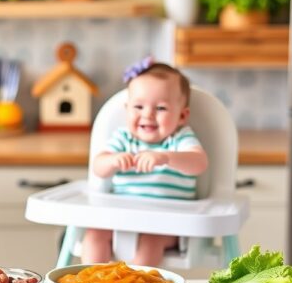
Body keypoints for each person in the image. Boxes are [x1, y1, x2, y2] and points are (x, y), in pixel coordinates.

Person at [82, 58, 209, 266]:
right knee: (94, 234)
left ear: (182, 116)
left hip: (167, 223)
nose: (147, 115)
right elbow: (98, 167)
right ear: (127, 109)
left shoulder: (179, 139)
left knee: (151, 241)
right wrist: (113, 160)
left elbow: (199, 163)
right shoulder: (124, 139)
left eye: (160, 108)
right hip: (122, 218)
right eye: (139, 106)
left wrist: (166, 158)